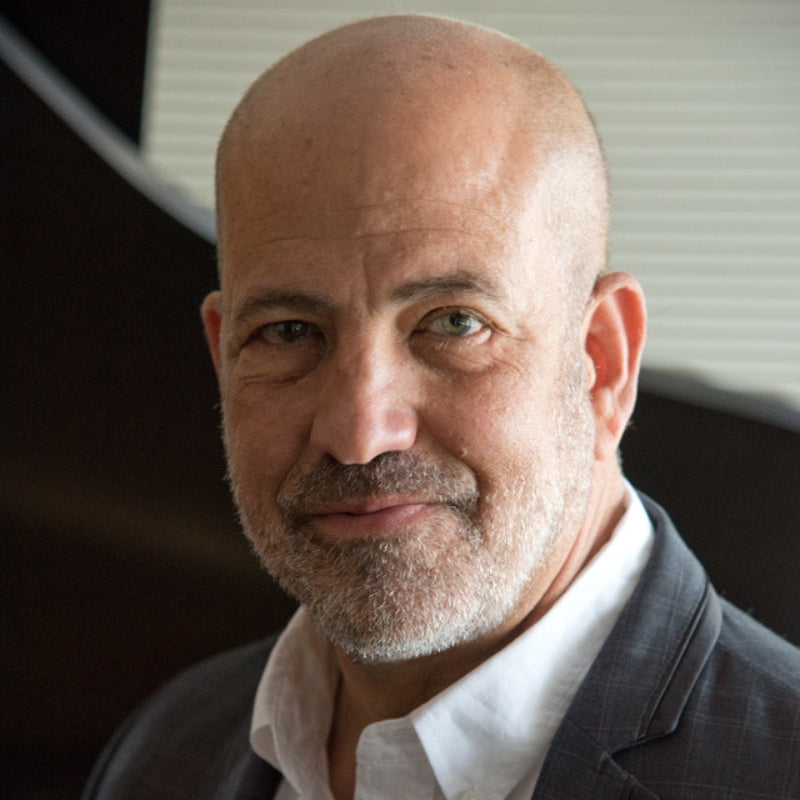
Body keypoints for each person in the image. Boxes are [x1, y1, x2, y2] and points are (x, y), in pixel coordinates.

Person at [82, 14, 800, 800]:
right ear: (223, 355)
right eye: (289, 332)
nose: (358, 435)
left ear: (602, 359)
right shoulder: (163, 749)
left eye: (455, 323)